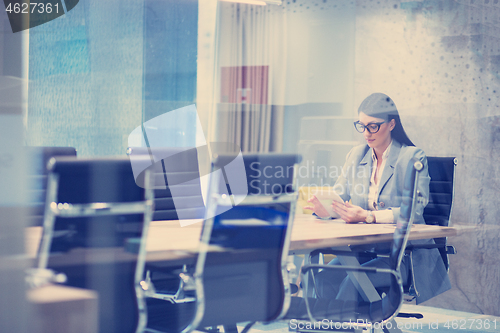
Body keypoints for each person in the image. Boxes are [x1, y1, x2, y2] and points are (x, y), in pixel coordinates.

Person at [304, 93, 451, 304]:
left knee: (351, 284)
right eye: (362, 126)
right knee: (322, 278)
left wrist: (369, 216)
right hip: (363, 250)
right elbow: (341, 196)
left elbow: (414, 210)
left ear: (391, 124)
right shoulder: (357, 154)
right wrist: (326, 208)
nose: (366, 133)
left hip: (402, 256)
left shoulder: (412, 157)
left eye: (373, 126)